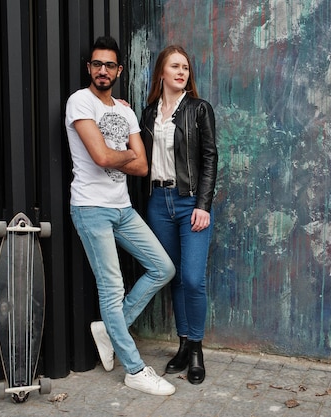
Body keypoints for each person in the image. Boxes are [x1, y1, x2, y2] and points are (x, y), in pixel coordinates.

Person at [65, 35, 176, 396]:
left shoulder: (125, 110)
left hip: (122, 208)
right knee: (112, 290)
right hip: (91, 207)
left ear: (118, 70)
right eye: (96, 64)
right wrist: (125, 153)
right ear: (89, 68)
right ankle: (134, 369)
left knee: (163, 268)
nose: (102, 70)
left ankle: (109, 329)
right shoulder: (79, 102)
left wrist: (122, 156)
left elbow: (143, 167)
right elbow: (101, 158)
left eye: (109, 65)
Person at [136, 45, 218, 385]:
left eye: (185, 67)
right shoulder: (148, 113)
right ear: (162, 73)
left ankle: (196, 350)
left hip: (189, 203)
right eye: (175, 66)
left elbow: (210, 157)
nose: (181, 71)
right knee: (172, 276)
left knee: (193, 279)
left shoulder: (199, 110)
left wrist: (203, 204)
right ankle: (183, 344)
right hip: (159, 202)